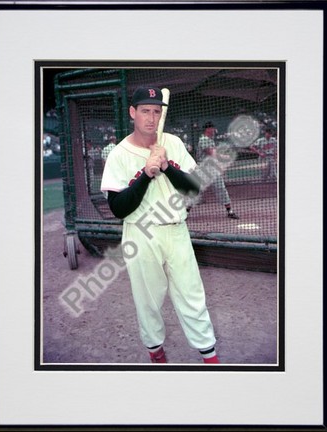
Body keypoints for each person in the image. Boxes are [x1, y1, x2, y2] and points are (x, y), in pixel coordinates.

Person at [101, 86, 219, 364]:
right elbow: (118, 208)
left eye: (156, 111)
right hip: (140, 233)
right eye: (145, 111)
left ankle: (210, 357)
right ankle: (156, 351)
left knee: (192, 294)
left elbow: (192, 189)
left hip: (176, 229)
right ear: (133, 113)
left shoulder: (173, 143)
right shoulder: (119, 154)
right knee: (148, 300)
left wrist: (167, 166)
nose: (151, 118)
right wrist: (145, 174)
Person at [197, 121, 239, 219]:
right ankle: (185, 211)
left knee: (221, 188)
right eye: (212, 128)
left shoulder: (210, 140)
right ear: (208, 129)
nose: (214, 130)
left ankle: (230, 211)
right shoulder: (204, 139)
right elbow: (211, 153)